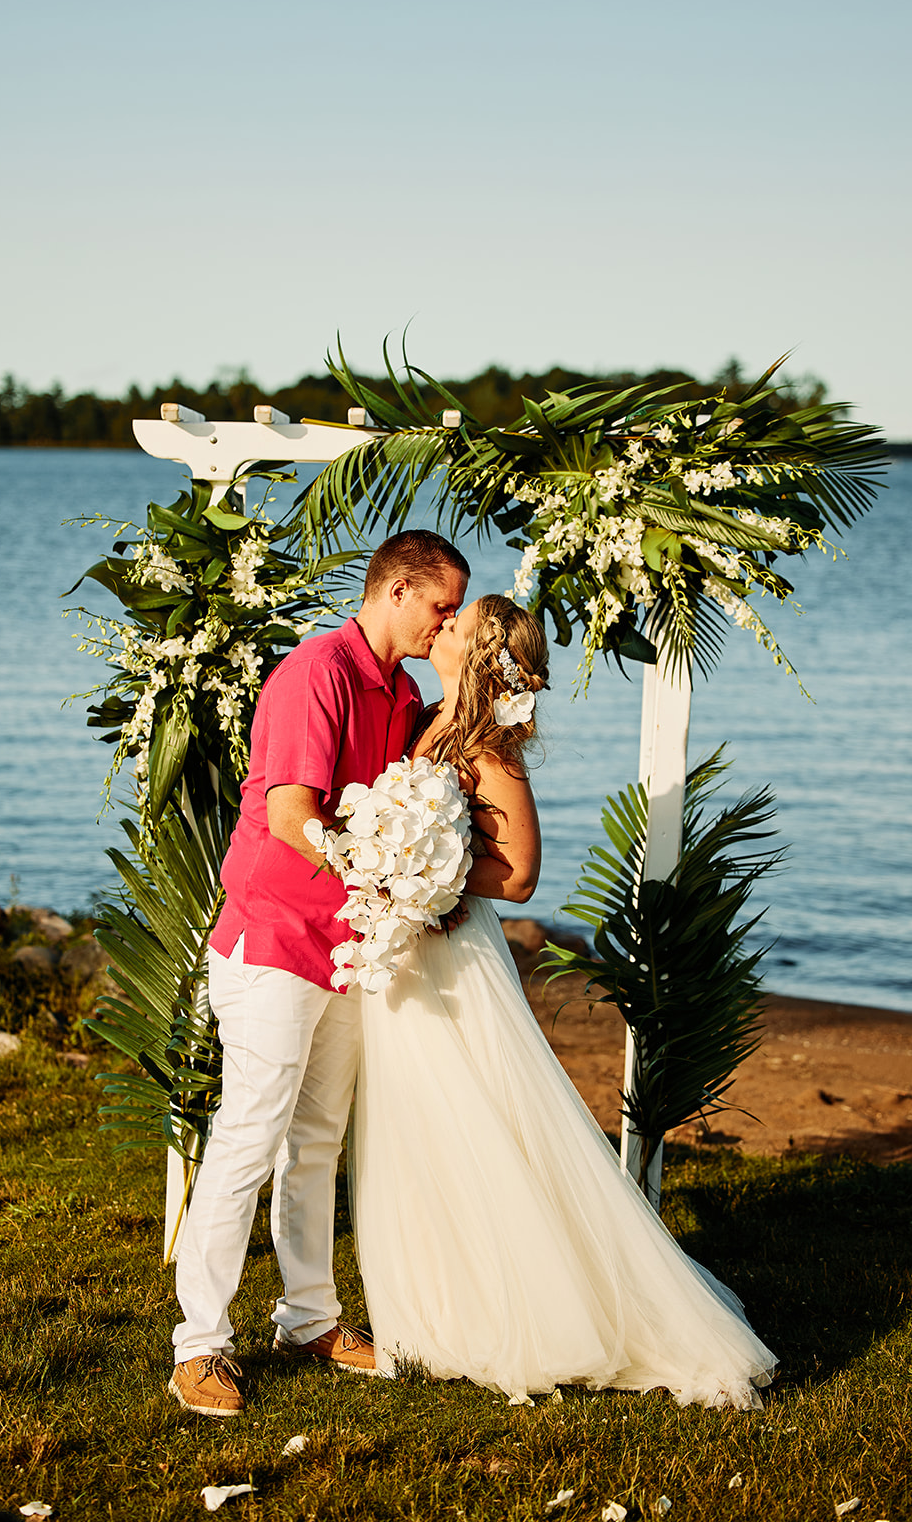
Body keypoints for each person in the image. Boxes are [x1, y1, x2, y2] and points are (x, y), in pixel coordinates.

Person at [352, 594, 778, 1407]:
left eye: (458, 621)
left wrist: (409, 865)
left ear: (481, 653)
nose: (440, 623)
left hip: (451, 950)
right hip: (407, 939)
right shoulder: (428, 720)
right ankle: (434, 1309)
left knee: (476, 1119)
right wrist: (391, 860)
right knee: (414, 1124)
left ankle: (528, 1311)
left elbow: (518, 875)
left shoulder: (488, 748)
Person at [169, 529, 470, 1418]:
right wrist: (383, 874)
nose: (445, 622)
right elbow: (293, 811)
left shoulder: (405, 688)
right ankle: (199, 1346)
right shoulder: (316, 673)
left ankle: (308, 1318)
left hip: (346, 947)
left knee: (317, 1145)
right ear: (395, 591)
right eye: (440, 606)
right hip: (273, 939)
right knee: (247, 1140)